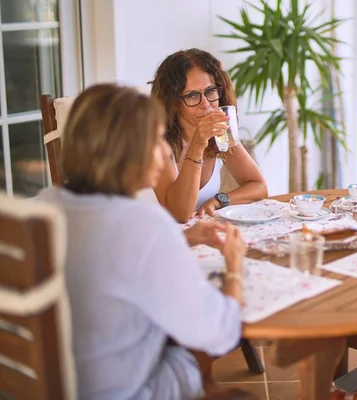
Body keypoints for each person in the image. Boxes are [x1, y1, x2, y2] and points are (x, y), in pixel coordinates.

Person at [37, 84, 247, 399]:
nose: (165, 152)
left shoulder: (43, 207)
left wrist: (182, 239)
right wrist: (235, 267)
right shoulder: (145, 225)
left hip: (50, 384)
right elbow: (220, 334)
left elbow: (106, 254)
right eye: (156, 141)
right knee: (188, 352)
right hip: (119, 391)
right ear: (125, 152)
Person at [151, 48, 268, 223]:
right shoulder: (158, 144)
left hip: (197, 237)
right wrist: (197, 145)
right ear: (173, 103)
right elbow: (179, 214)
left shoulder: (220, 134)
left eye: (211, 91)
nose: (206, 105)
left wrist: (218, 201)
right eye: (192, 95)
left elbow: (259, 186)